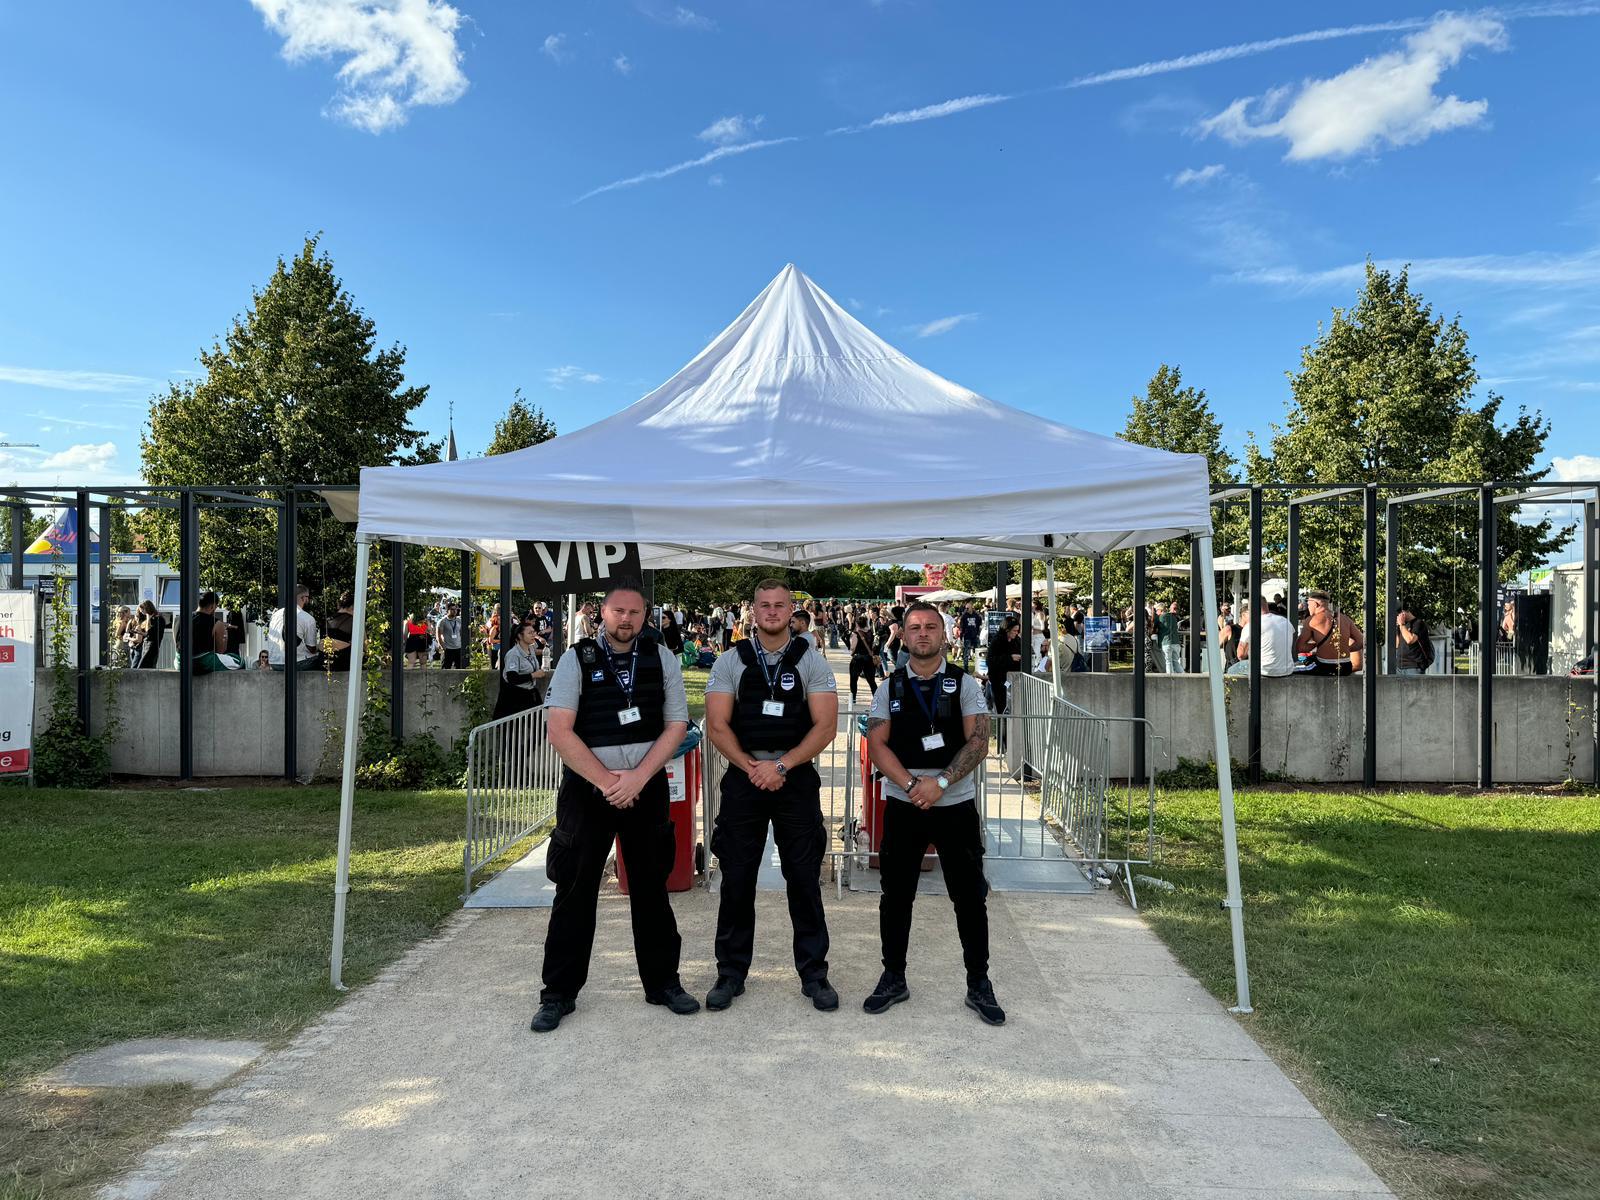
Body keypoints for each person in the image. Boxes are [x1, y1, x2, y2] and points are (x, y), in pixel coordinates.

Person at [530, 583, 698, 1033]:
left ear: (646, 616)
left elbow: (676, 724)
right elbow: (559, 730)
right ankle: (558, 993)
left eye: (635, 612)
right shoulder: (577, 659)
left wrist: (638, 778)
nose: (626, 619)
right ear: (602, 613)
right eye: (618, 611)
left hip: (645, 788)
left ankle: (663, 983)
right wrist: (608, 783)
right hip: (589, 792)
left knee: (651, 889)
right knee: (574, 890)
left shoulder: (661, 658)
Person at [702, 579, 840, 1013]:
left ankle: (814, 974)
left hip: (794, 779)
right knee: (737, 878)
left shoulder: (812, 661)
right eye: (765, 605)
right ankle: (730, 973)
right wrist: (753, 768)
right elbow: (717, 725)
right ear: (753, 611)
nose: (773, 612)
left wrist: (781, 766)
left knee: (803, 878)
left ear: (791, 610)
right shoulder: (730, 660)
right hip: (745, 778)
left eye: (780, 605)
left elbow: (826, 725)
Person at [863, 601, 1004, 1025]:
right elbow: (877, 744)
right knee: (896, 894)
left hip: (954, 804)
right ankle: (893, 976)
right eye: (914, 627)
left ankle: (979, 982)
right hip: (903, 803)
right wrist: (912, 786)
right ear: (903, 636)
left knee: (969, 896)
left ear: (944, 635)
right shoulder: (889, 687)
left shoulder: (965, 684)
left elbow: (978, 741)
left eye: (930, 627)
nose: (922, 634)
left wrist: (939, 783)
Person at [1294, 591, 1365, 676]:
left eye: (1309, 604)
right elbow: (1361, 641)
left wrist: (1317, 645)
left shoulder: (1311, 620)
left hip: (1324, 666)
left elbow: (1300, 647)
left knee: (1291, 669)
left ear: (1316, 604)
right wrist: (1343, 649)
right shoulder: (1345, 619)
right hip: (1345, 667)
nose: (1308, 607)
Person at [494, 620, 550, 718]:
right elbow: (512, 678)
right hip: (516, 697)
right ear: (520, 636)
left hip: (530, 693)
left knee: (537, 722)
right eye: (530, 633)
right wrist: (534, 675)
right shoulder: (513, 654)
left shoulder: (531, 649)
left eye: (534, 632)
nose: (533, 635)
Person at [1227, 598, 1294, 677]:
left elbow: (1240, 655)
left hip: (1264, 670)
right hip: (1287, 669)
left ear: (1251, 609)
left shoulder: (1252, 624)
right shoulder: (1285, 621)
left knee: (1231, 669)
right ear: (1266, 606)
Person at [985, 615, 1023, 750]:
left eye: (1017, 631)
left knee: (1011, 710)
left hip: (1013, 681)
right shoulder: (997, 641)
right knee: (1001, 710)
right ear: (1007, 630)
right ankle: (1002, 743)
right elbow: (990, 661)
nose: (1016, 633)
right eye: (1014, 631)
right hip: (998, 681)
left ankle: (1010, 741)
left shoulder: (1017, 641)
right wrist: (1010, 658)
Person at [267, 585, 321, 671]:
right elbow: (311, 648)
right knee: (322, 659)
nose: (308, 600)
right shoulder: (308, 618)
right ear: (303, 598)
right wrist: (319, 646)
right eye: (308, 597)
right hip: (297, 663)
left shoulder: (275, 615)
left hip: (274, 663)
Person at [188, 591, 243, 675]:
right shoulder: (216, 623)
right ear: (212, 606)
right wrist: (225, 633)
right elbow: (221, 651)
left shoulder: (178, 619)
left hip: (180, 662)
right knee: (239, 661)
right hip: (202, 662)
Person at [848, 615, 880, 706]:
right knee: (871, 681)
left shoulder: (856, 634)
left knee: (854, 679)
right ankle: (876, 698)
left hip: (858, 658)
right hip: (868, 659)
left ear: (857, 624)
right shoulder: (870, 633)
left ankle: (853, 699)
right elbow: (873, 645)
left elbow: (853, 647)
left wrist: (851, 653)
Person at [1395, 608, 1434, 675]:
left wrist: (1402, 624)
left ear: (1403, 612)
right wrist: (1397, 627)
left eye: (1398, 615)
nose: (1397, 617)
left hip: (1414, 665)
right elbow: (1396, 644)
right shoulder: (1401, 626)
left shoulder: (1418, 623)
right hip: (1400, 666)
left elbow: (1410, 640)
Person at [325, 592, 356, 671]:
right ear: (352, 606)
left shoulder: (327, 620)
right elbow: (365, 645)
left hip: (324, 661)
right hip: (342, 663)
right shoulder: (353, 620)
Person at [133, 599, 164, 669]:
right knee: (145, 667)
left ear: (147, 609)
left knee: (143, 667)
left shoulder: (157, 619)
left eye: (142, 610)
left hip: (151, 646)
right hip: (146, 644)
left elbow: (150, 632)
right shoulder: (152, 618)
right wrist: (140, 633)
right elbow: (148, 634)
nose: (142, 612)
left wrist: (148, 619)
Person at [1156, 601, 1184, 674]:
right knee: (1176, 662)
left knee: (1168, 662)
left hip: (1166, 642)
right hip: (1176, 643)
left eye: (1157, 610)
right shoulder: (1174, 617)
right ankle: (1184, 676)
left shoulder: (1160, 617)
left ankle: (1170, 678)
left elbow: (1154, 627)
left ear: (1160, 610)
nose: (1156, 612)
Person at [958, 602, 983, 669]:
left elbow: (980, 623)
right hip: (967, 636)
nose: (967, 609)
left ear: (972, 607)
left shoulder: (976, 615)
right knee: (966, 652)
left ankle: (979, 667)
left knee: (978, 652)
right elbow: (961, 626)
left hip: (975, 635)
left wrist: (978, 633)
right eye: (966, 608)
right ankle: (965, 667)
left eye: (968, 608)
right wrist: (961, 636)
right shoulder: (964, 616)